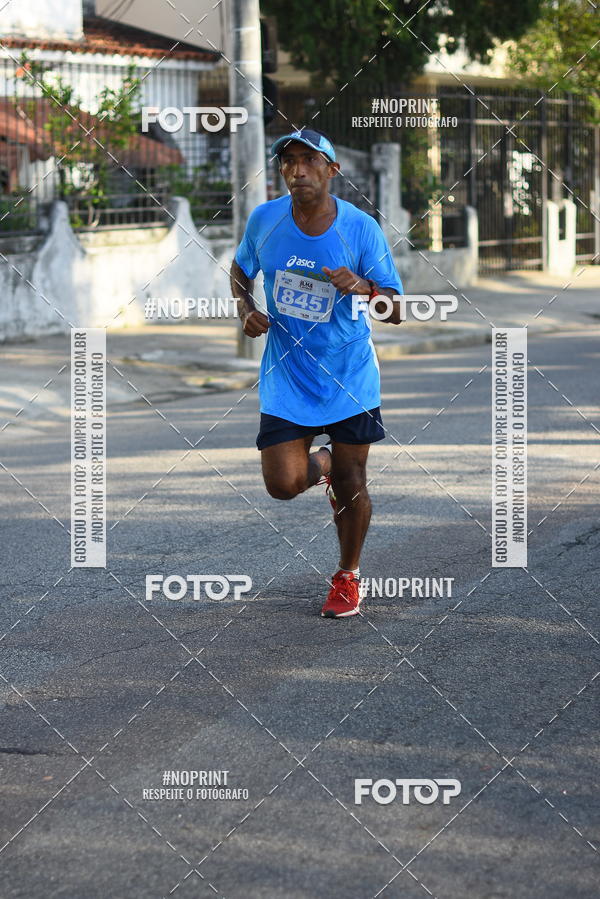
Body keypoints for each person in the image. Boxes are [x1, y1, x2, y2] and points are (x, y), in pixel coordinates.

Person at [230, 128, 403, 618]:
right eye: (288, 162)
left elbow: (396, 310)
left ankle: (347, 577)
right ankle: (321, 465)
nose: (297, 170)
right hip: (287, 375)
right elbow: (240, 270)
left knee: (353, 480)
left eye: (309, 160)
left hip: (349, 375)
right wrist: (244, 308)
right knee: (283, 484)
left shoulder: (360, 229)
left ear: (332, 169)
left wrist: (364, 285)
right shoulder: (264, 220)